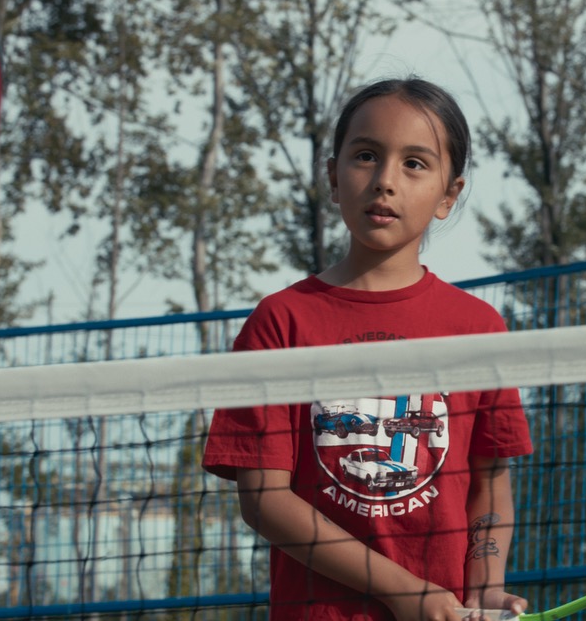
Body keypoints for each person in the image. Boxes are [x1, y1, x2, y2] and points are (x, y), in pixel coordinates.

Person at [202, 78, 533, 621]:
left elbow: (490, 484)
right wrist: (404, 590)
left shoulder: (479, 327)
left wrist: (486, 588)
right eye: (365, 156)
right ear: (334, 178)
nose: (385, 181)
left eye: (415, 164)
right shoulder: (279, 323)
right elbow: (265, 502)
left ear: (450, 195)